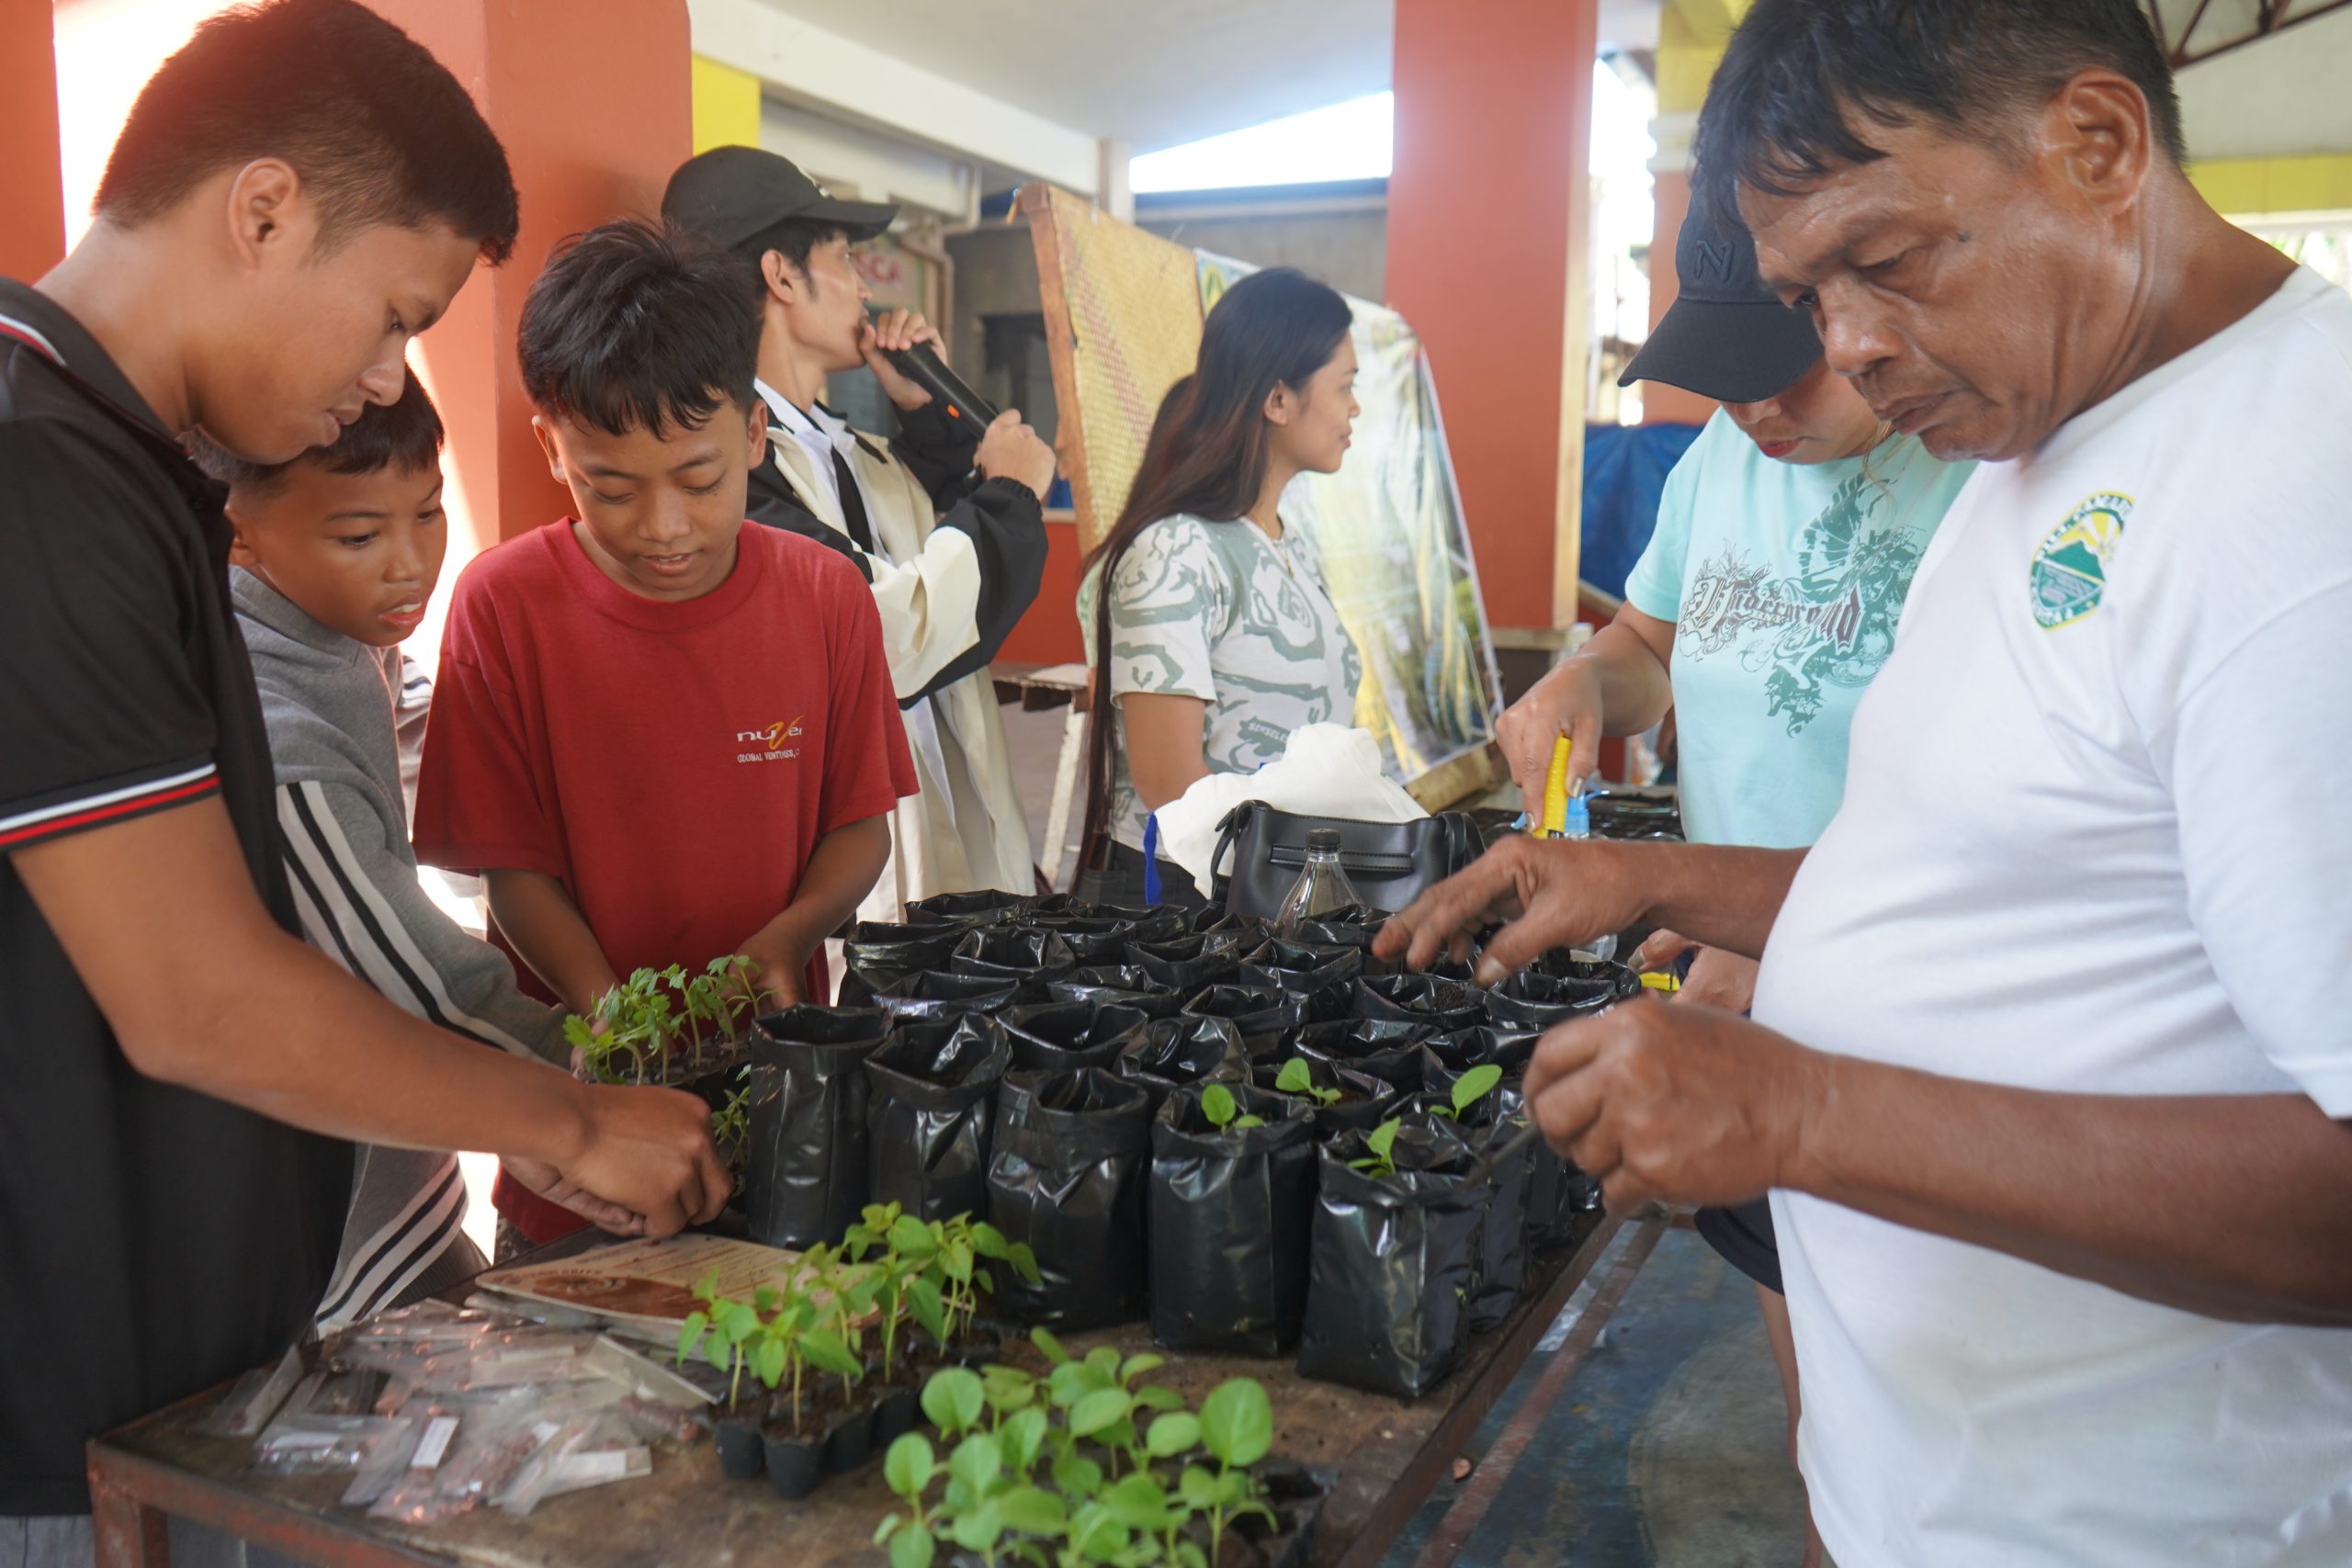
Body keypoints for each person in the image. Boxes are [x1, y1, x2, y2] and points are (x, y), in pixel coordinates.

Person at [1381, 1, 2352, 1562]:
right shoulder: (2039, 436)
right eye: (1805, 295)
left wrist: (1804, 1104)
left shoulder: (2298, 514)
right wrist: (1658, 878)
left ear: (2097, 145)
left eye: (1886, 260)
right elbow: (1991, 883)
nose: (1847, 345)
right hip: (1944, 1488)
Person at [0, 0, 725, 1548]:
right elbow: (194, 993)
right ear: (262, 209)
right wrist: (568, 1120)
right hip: (46, 1430)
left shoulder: (126, 474)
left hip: (166, 1383)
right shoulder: (37, 475)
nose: (389, 373)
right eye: (396, 312)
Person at [1497, 199, 1973, 1561]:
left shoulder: (1966, 469)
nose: (1760, 406)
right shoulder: (1721, 459)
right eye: (1726, 377)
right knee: (1826, 1423)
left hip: (1910, 1013)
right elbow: (1654, 638)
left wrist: (1804, 932)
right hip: (1737, 994)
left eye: (1790, 366)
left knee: (1927, 1444)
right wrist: (1589, 677)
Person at [412, 220, 919, 1253]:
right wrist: (608, 1017)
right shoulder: (503, 607)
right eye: (610, 487)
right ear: (551, 446)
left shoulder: (825, 597)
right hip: (585, 1141)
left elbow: (858, 828)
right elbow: (512, 871)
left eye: (699, 478)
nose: (663, 527)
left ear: (754, 437)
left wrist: (785, 939)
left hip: (785, 1107)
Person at [198, 373, 573, 1328]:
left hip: (401, 1178)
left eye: (431, 513)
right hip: (330, 1232)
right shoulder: (276, 732)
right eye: (359, 537)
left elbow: (404, 704)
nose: (410, 566)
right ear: (239, 530)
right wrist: (596, 1096)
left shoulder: (331, 628)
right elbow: (421, 980)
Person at [662, 147, 1057, 919]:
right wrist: (1010, 492)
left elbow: (929, 542)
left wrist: (931, 414)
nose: (864, 284)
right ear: (781, 276)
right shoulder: (732, 471)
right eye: (845, 257)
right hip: (861, 887)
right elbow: (891, 636)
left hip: (960, 853)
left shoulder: (857, 451)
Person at [1075, 268, 1363, 907]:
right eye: (1344, 386)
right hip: (1189, 899)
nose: (1354, 408)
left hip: (1278, 880)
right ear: (1278, 400)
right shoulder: (1176, 550)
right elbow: (1169, 781)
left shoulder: (1288, 543)